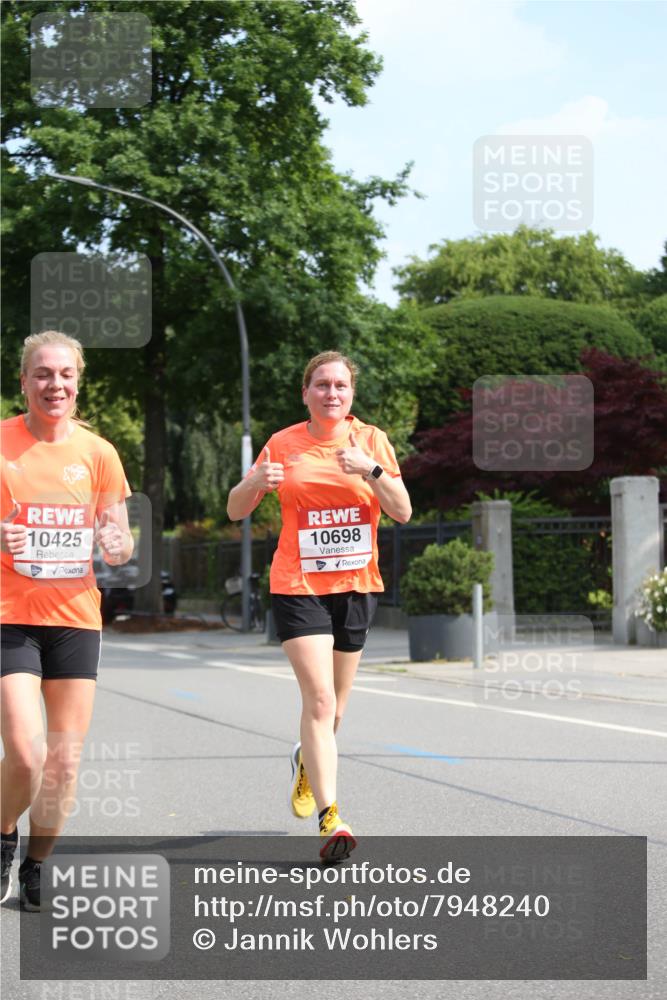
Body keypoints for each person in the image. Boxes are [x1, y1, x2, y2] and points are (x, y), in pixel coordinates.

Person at [227, 351, 411, 861]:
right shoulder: (283, 444)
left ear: (351, 394)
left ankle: (306, 761)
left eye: (342, 386)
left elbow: (402, 510)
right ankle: (332, 815)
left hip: (356, 584)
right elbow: (235, 509)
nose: (333, 393)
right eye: (322, 385)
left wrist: (370, 470)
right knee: (321, 701)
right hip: (298, 583)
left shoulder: (371, 441)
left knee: (337, 708)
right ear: (305, 393)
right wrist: (254, 483)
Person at [0, 331, 133, 909]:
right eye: (43, 374)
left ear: (78, 383)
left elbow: (122, 543)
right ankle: (4, 835)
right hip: (10, 616)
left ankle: (36, 864)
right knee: (26, 754)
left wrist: (115, 540)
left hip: (76, 619)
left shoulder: (98, 453)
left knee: (64, 760)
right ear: (24, 381)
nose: (55, 385)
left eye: (65, 375)